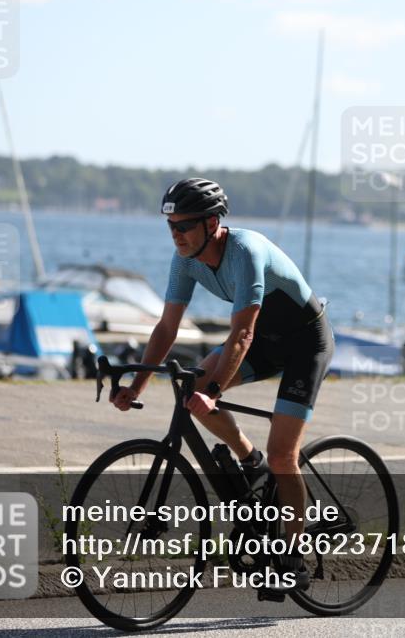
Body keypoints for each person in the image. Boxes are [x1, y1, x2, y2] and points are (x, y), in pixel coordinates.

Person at [110, 177, 334, 592]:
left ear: (212, 224)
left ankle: (293, 557)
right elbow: (166, 328)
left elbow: (242, 336)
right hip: (266, 340)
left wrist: (212, 393)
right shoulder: (185, 260)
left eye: (184, 226)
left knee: (284, 455)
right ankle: (251, 463)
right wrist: (137, 386)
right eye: (171, 227)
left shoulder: (245, 252)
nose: (176, 235)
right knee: (192, 384)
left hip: (305, 342)